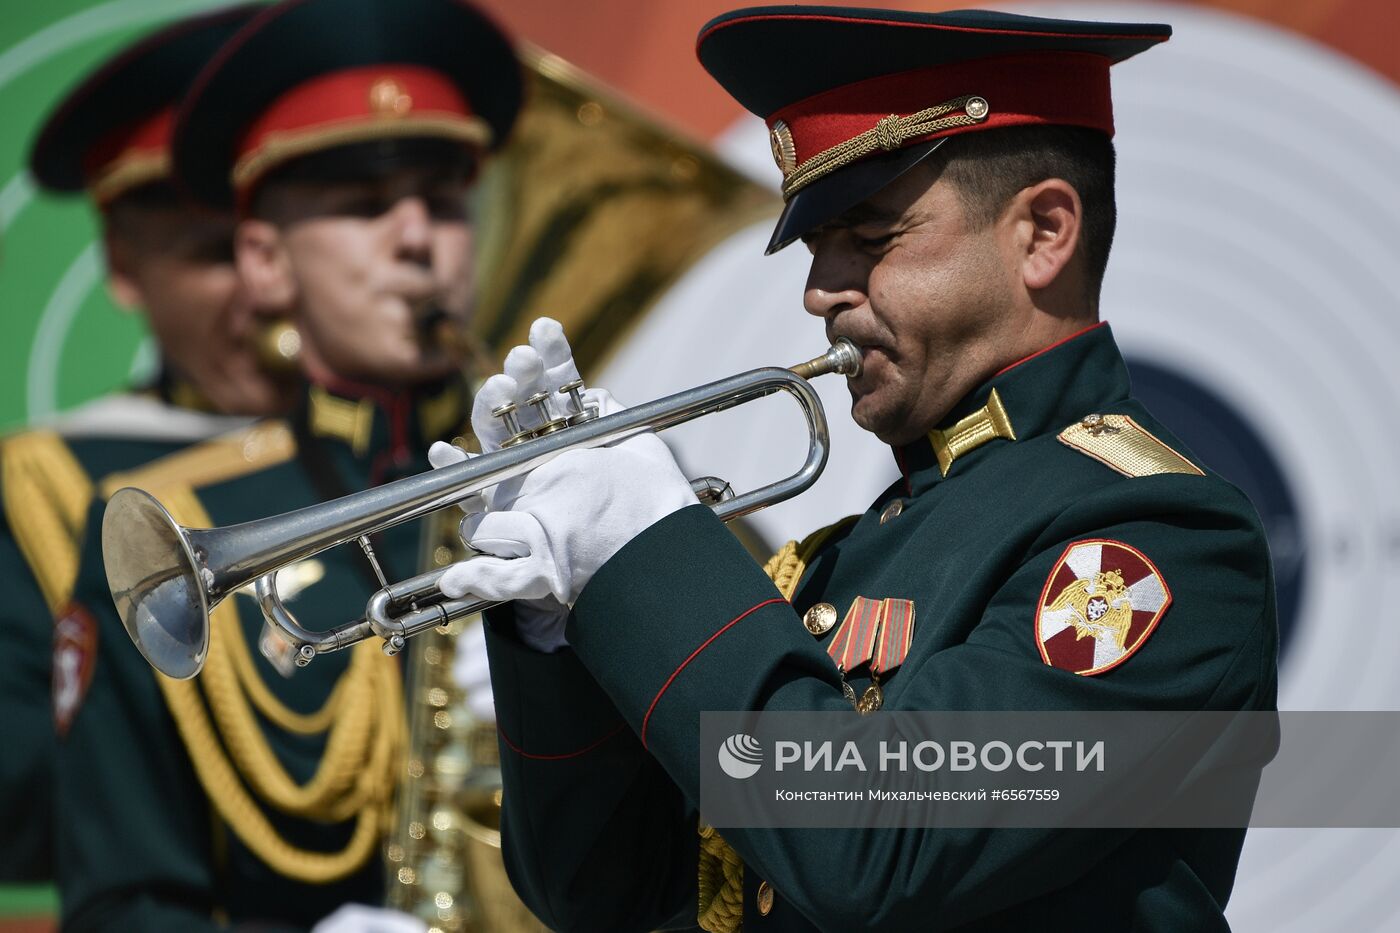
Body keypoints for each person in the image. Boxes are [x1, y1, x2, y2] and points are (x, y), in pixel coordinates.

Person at [432, 7, 1279, 932]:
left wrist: (648, 553)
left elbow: (876, 841)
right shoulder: (849, 554)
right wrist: (567, 620)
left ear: (1043, 232)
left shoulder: (1156, 539)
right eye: (814, 246)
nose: (818, 291)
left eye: (871, 239)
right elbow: (608, 895)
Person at [54, 0, 521, 929]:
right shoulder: (179, 526)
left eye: (442, 199)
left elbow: (794, 797)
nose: (418, 239)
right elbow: (123, 900)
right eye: (362, 207)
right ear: (264, 261)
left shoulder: (614, 475)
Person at [0, 4, 290, 883]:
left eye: (276, 245)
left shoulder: (447, 439)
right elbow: (17, 799)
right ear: (125, 267)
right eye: (213, 255)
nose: (263, 289)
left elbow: (728, 749)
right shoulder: (49, 481)